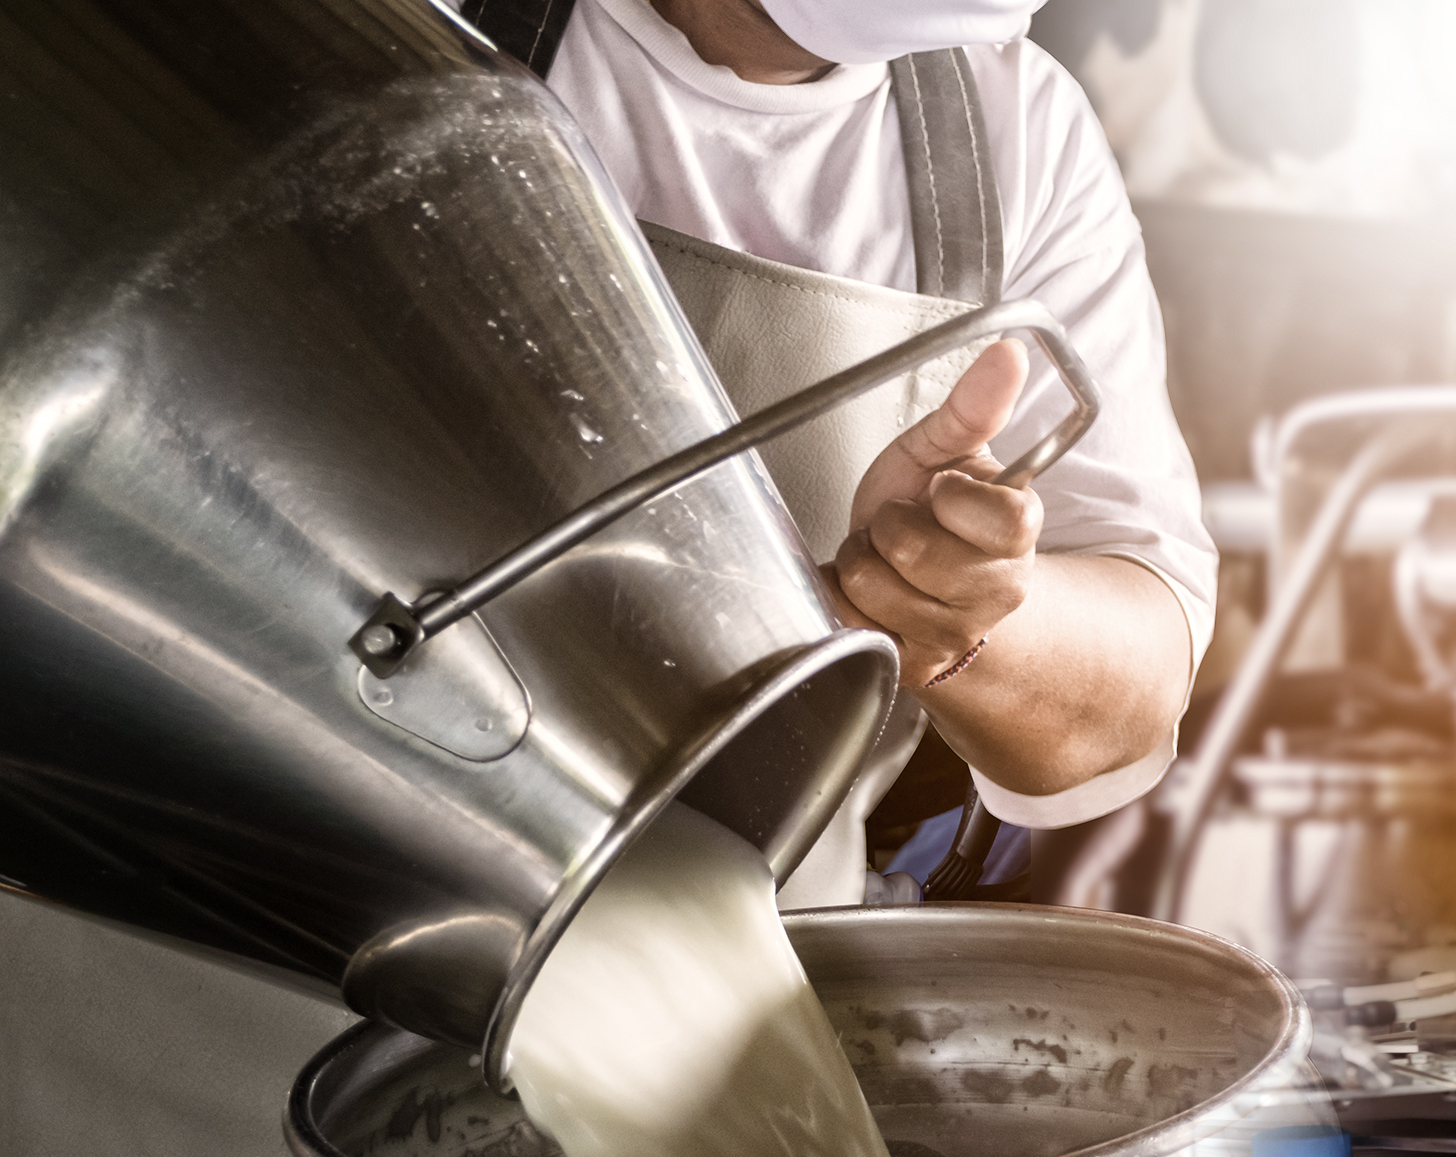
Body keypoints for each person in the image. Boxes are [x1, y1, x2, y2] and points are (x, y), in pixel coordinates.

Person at [462, 0, 1215, 901]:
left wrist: (959, 607)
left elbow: (1132, 689)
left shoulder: (1017, 131)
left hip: (744, 953)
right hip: (310, 948)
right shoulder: (369, 28)